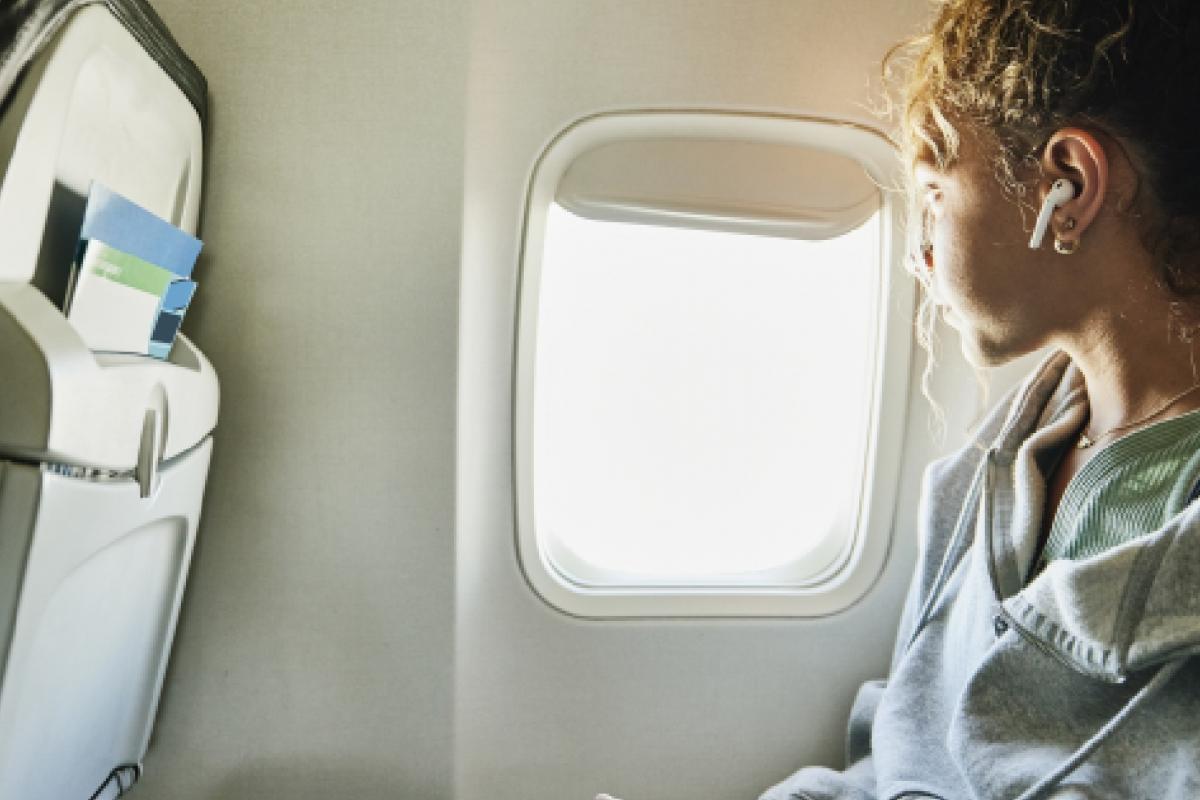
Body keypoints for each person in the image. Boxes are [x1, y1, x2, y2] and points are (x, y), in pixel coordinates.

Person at [754, 0, 1200, 798]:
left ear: (1069, 186)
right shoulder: (994, 470)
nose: (920, 257)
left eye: (935, 191)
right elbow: (896, 763)